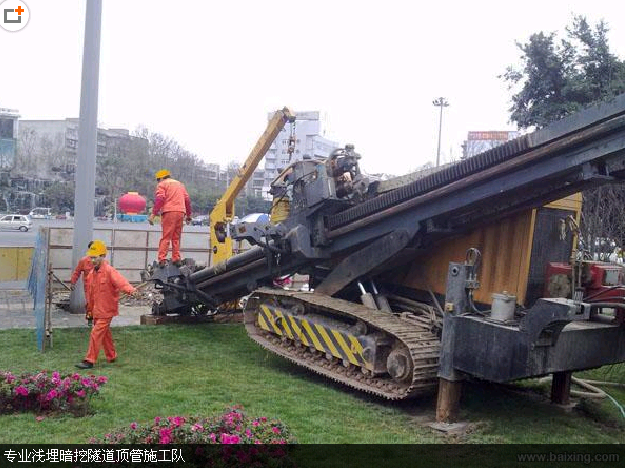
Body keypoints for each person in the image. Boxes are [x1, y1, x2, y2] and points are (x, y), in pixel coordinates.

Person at [75, 240, 138, 369]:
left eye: (95, 257)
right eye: (91, 257)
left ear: (103, 256)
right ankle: (111, 355)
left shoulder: (109, 271)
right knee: (105, 334)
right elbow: (91, 294)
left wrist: (132, 290)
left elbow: (121, 282)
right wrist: (90, 310)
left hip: (106, 310)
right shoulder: (92, 274)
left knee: (96, 333)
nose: (92, 261)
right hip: (97, 310)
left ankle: (89, 360)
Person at [148, 169, 192, 268]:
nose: (158, 182)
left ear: (162, 178)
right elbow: (187, 200)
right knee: (176, 237)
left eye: (158, 180)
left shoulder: (162, 184)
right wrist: (189, 215)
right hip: (181, 212)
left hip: (169, 212)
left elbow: (160, 199)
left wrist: (153, 214)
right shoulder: (180, 185)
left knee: (166, 237)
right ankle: (176, 259)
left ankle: (162, 259)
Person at [70, 241, 95, 324]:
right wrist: (73, 283)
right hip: (88, 286)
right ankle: (90, 320)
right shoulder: (83, 261)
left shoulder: (101, 261)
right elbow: (77, 272)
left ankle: (99, 321)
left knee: (99, 304)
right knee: (89, 304)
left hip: (100, 286)